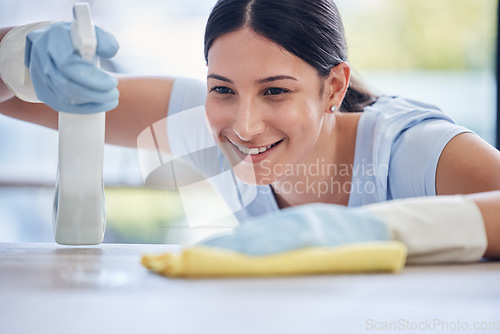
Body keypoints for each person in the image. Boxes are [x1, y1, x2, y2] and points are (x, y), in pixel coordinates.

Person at [0, 0, 499, 261]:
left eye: (276, 91)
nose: (244, 125)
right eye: (223, 88)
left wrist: (382, 230)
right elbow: (49, 95)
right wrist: (15, 58)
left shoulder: (414, 152)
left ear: (333, 88)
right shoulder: (203, 123)